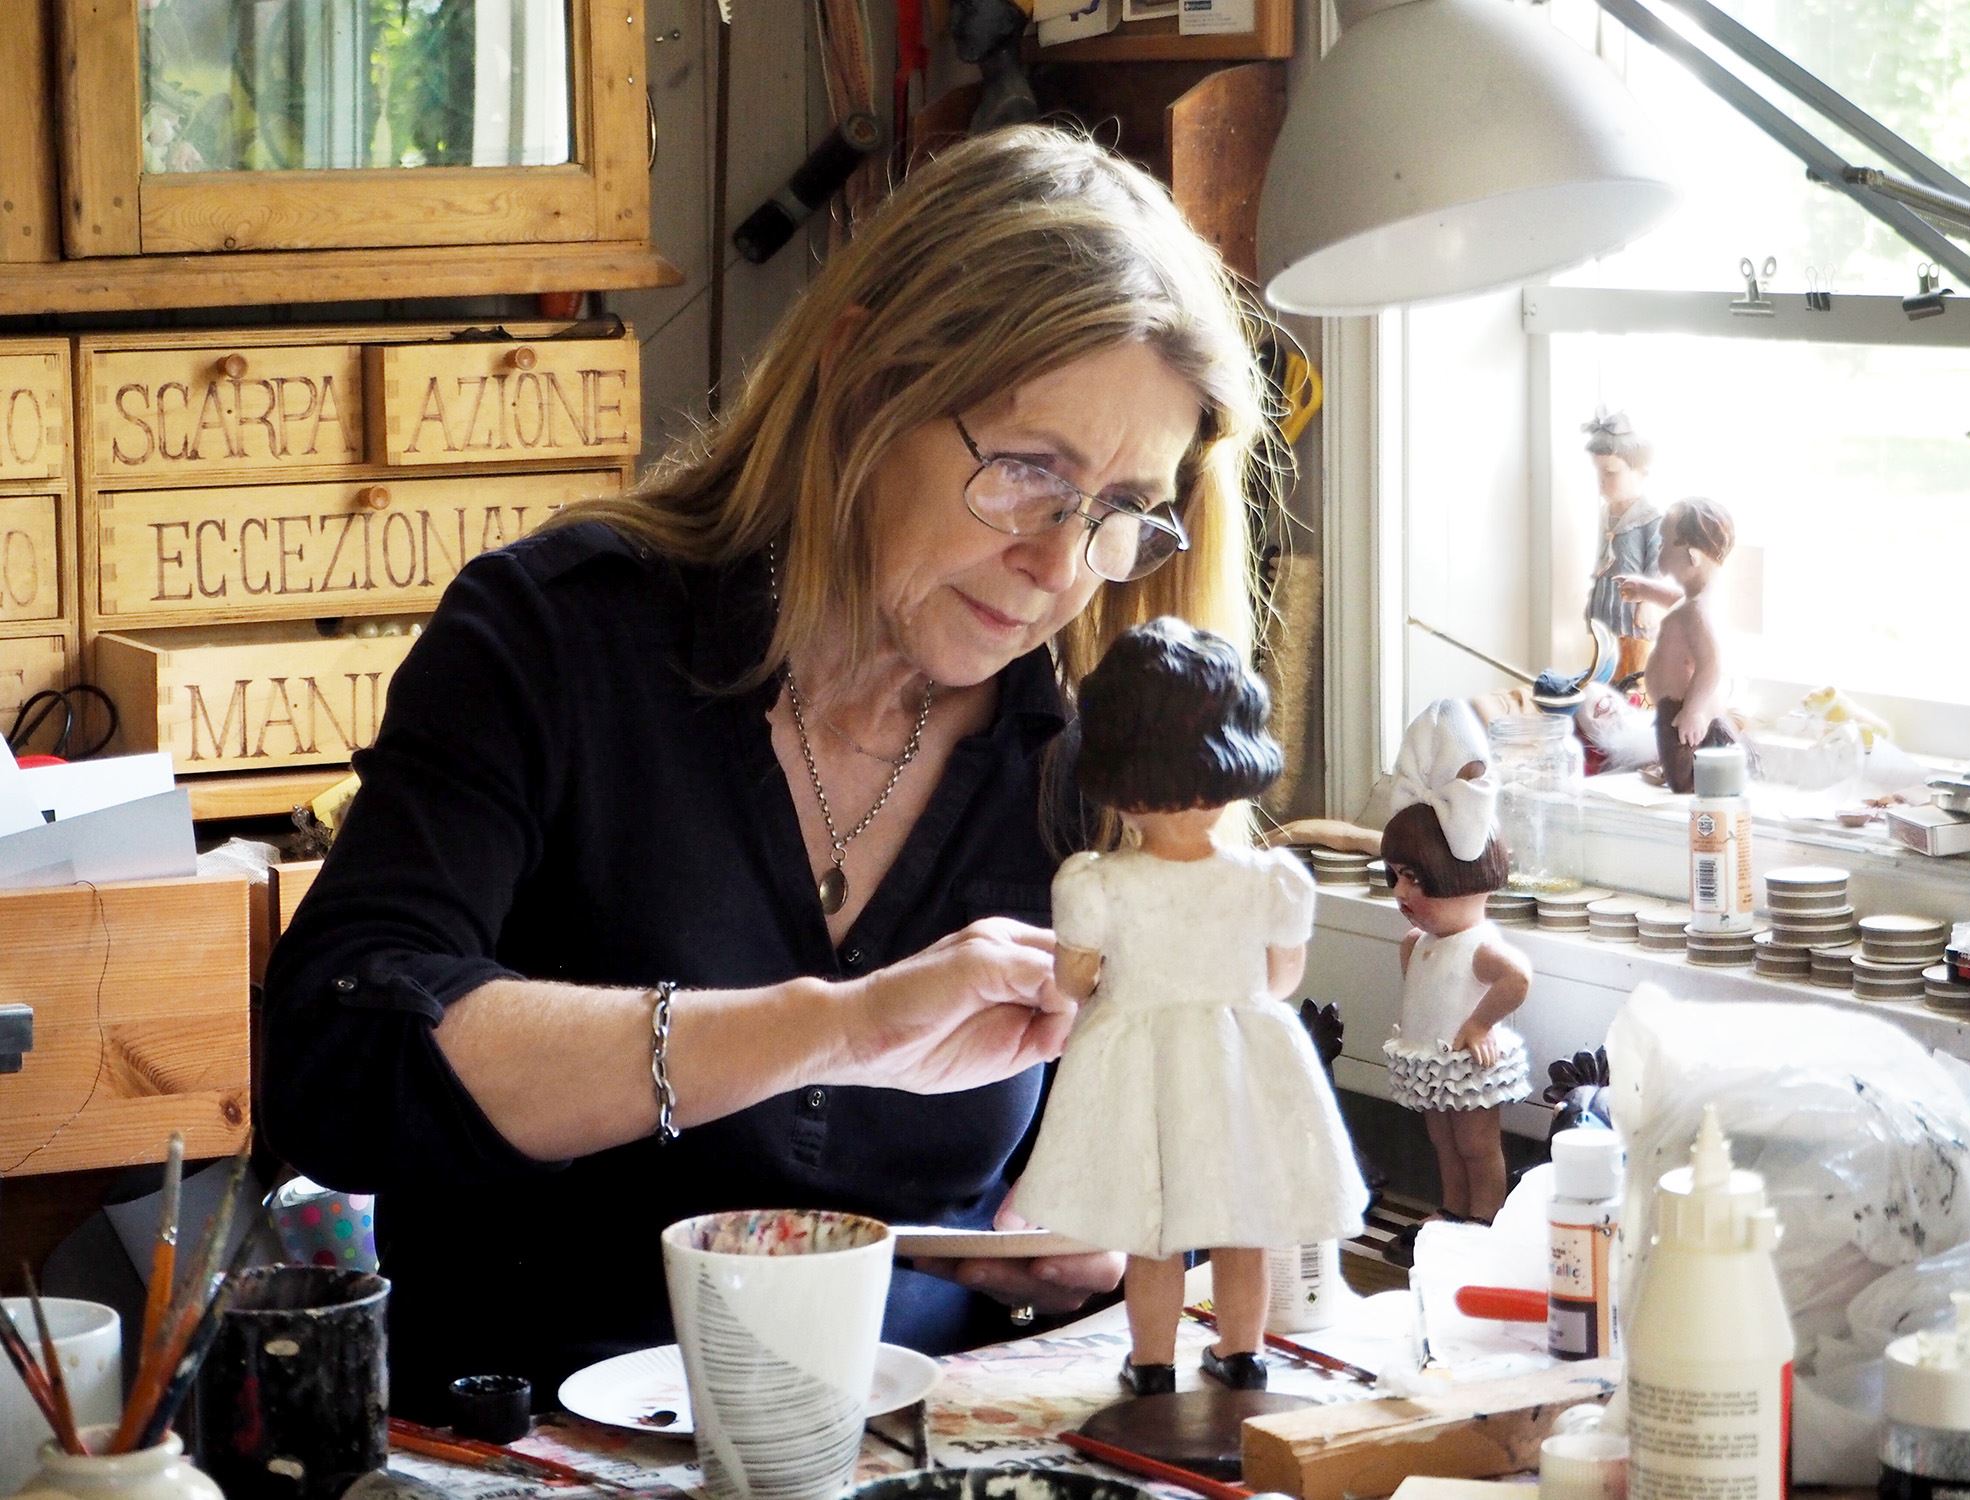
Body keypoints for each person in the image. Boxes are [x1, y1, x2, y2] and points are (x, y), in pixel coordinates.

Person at [259, 123, 1278, 1417]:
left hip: (920, 1435)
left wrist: (1097, 1227)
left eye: (1120, 510)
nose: (1059, 564)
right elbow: (336, 1064)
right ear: (857, 375)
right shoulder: (556, 640)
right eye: (1028, 472)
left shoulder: (1096, 756)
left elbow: (1173, 1144)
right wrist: (832, 1028)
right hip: (519, 1440)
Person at [1009, 619, 1367, 1396]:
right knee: (1243, 1219)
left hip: (1140, 1063)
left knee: (1154, 1226)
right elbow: (1280, 978)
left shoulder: (1099, 882)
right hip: (1240, 1059)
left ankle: (1152, 1364)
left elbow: (1074, 981)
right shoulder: (1268, 880)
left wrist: (1111, 987)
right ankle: (1243, 1353)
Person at [1379, 701, 1533, 1227]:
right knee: (1443, 1140)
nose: (1402, 893)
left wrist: (1480, 1024)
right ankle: (1452, 1208)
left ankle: (1485, 1218)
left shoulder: (1478, 948)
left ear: (1466, 877)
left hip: (1469, 1065)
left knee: (1475, 1143)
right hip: (1432, 1062)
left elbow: (1517, 977)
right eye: (1397, 876)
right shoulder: (1415, 944)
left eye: (1416, 880)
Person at [1623, 498, 1736, 793]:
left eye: (1664, 544)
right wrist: (1646, 590)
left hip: (1681, 712)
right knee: (1681, 761)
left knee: (1682, 777)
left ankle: (1690, 780)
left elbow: (1711, 664)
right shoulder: (1695, 603)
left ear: (1692, 556)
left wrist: (1693, 711)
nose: (1659, 550)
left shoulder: (1697, 611)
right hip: (1682, 709)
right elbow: (1678, 602)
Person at [1583, 410, 1676, 691]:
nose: (1602, 481)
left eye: (1611, 473)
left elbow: (1657, 564)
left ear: (1641, 472)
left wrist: (1648, 601)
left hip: (1632, 612)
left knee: (1632, 672)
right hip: (1605, 608)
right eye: (1598, 473)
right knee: (1603, 668)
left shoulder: (1650, 519)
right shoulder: (1604, 515)